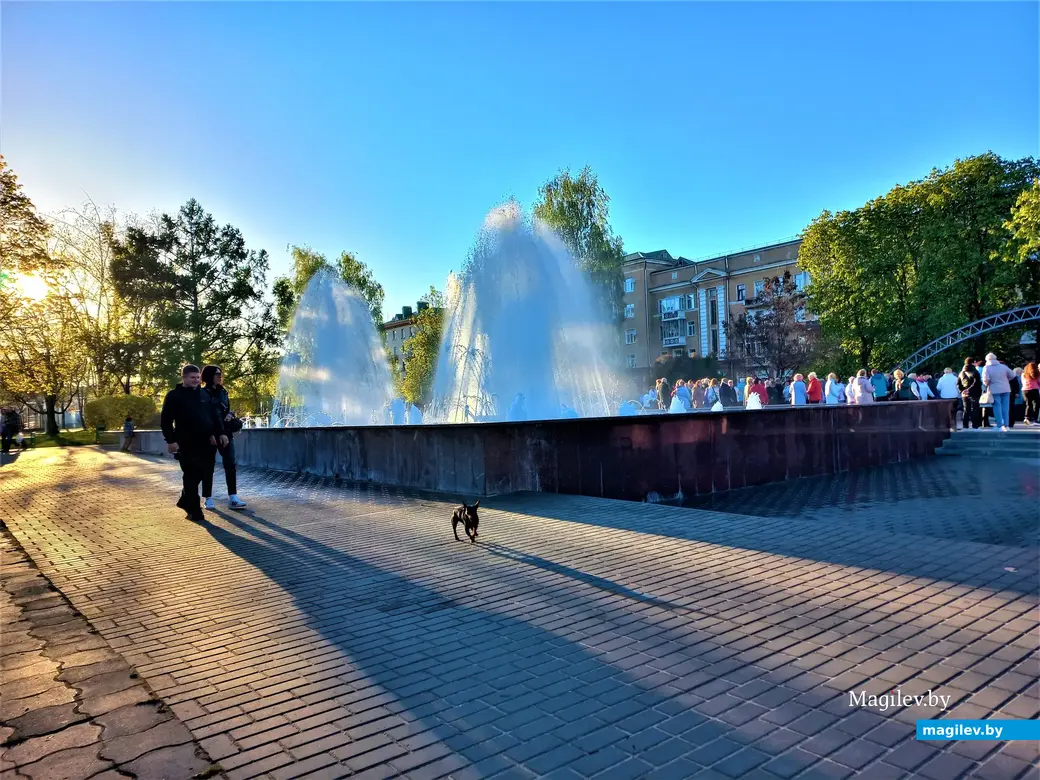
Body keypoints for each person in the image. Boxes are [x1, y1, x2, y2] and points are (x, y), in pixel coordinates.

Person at [161, 364, 227, 522]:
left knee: (203, 473)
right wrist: (171, 441)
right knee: (190, 475)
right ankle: (195, 511)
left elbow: (214, 417)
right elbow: (166, 421)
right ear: (184, 377)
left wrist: (220, 433)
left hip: (206, 442)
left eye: (198, 378)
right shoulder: (173, 396)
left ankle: (185, 500)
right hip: (185, 442)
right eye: (192, 378)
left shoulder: (204, 395)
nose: (196, 380)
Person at [201, 365, 247, 510]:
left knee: (230, 465)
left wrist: (230, 415)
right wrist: (210, 435)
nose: (220, 376)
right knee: (208, 466)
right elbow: (204, 416)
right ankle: (207, 498)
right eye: (217, 374)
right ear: (209, 376)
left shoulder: (223, 392)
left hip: (226, 434)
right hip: (211, 435)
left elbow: (227, 410)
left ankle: (233, 497)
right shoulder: (202, 394)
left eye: (221, 373)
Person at [982, 352, 1015, 432]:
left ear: (987, 360)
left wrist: (986, 384)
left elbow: (986, 380)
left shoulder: (986, 367)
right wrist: (1007, 380)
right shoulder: (1003, 366)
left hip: (994, 389)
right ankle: (1006, 425)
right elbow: (1013, 375)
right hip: (1006, 388)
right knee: (1006, 408)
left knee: (997, 407)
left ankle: (999, 425)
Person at [958, 358, 982, 430]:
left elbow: (958, 384)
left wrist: (962, 390)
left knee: (966, 409)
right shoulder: (975, 371)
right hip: (975, 392)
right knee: (975, 409)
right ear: (972, 363)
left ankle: (965, 425)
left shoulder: (961, 372)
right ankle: (975, 426)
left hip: (964, 393)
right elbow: (977, 383)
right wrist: (969, 389)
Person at [1022, 362, 1040, 426]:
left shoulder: (1024, 374)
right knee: (1036, 404)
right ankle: (1035, 419)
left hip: (1025, 390)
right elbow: (1039, 382)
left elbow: (1022, 381)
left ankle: (1026, 418)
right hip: (1034, 389)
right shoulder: (1037, 374)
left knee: (1028, 404)